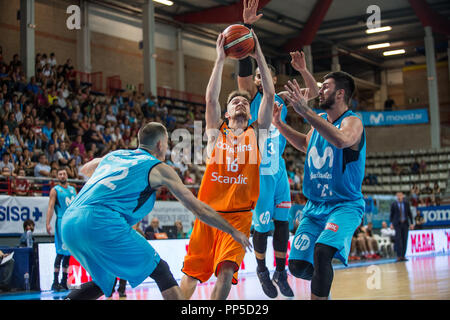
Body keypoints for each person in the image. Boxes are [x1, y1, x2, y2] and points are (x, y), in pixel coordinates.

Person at [61, 122, 251, 300]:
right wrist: (232, 230)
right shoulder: (158, 167)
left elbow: (85, 169)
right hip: (101, 221)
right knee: (161, 270)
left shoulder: (115, 156)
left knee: (105, 284)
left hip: (69, 222)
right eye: (167, 143)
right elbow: (198, 208)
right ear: (160, 144)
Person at [180, 29, 273, 300]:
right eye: (235, 101)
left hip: (239, 215)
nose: (241, 103)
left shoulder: (257, 133)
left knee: (226, 270)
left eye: (245, 101)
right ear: (227, 112)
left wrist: (259, 55)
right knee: (191, 275)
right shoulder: (215, 132)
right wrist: (220, 59)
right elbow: (210, 99)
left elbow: (268, 94)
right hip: (208, 215)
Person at [236, 0, 319, 298]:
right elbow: (244, 69)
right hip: (258, 171)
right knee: (262, 228)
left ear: (272, 78)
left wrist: (305, 70)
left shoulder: (283, 98)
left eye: (265, 75)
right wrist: (247, 29)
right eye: (258, 76)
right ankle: (260, 270)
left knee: (283, 224)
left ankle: (280, 271)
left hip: (279, 170)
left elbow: (316, 94)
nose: (260, 79)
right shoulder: (249, 94)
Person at [273, 70, 365, 300]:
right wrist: (279, 124)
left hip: (344, 206)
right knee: (297, 266)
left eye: (325, 87)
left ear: (341, 93)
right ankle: (324, 289)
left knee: (322, 252)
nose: (319, 90)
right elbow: (306, 143)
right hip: (315, 208)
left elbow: (341, 140)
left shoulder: (353, 122)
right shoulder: (321, 122)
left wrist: (305, 111)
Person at [45, 168, 77, 291]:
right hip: (61, 222)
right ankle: (55, 282)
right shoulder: (55, 190)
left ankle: (64, 281)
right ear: (57, 176)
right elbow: (50, 207)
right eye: (60, 174)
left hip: (72, 222)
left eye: (64, 173)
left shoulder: (73, 189)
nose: (62, 175)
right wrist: (48, 223)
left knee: (68, 254)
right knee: (60, 252)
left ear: (67, 175)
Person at [390, 192, 414, 262]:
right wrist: (391, 223)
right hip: (397, 224)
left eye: (400, 195)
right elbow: (391, 214)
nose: (399, 197)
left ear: (403, 196)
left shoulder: (406, 203)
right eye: (398, 195)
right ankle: (399, 256)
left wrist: (411, 223)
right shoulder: (394, 204)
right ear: (396, 196)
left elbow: (409, 213)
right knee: (398, 240)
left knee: (404, 239)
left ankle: (403, 255)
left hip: (405, 223)